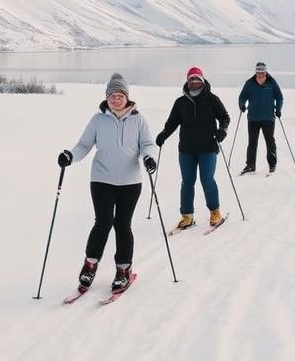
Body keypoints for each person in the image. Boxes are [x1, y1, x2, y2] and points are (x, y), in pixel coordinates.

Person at [57, 73, 155, 294]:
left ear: (127, 97)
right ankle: (90, 265)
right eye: (112, 95)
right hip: (101, 178)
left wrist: (150, 157)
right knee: (102, 222)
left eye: (120, 95)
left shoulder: (138, 119)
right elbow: (83, 145)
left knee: (122, 224)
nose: (116, 99)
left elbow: (148, 144)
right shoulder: (98, 120)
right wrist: (70, 156)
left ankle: (123, 270)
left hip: (130, 181)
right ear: (107, 97)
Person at [156, 66, 230, 230]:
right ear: (187, 82)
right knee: (187, 182)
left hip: (208, 147)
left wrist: (222, 131)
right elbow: (172, 123)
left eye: (198, 79)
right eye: (192, 79)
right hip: (187, 149)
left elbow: (224, 117)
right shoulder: (180, 102)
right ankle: (187, 216)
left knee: (207, 179)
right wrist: (163, 135)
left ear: (203, 81)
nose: (195, 82)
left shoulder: (212, 99)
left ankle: (215, 212)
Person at [238, 61, 283, 174]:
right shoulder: (249, 83)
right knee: (252, 142)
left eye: (262, 71)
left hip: (268, 118)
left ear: (265, 71)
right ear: (256, 71)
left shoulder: (272, 82)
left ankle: (272, 164)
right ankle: (250, 165)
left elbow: (279, 97)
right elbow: (242, 96)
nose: (260, 74)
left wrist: (278, 109)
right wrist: (241, 104)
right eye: (258, 71)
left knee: (270, 141)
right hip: (253, 118)